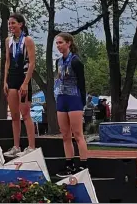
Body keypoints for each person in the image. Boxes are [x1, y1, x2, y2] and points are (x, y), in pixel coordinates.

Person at [53, 32, 89, 177]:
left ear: (68, 43)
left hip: (74, 98)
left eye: (60, 42)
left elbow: (82, 83)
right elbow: (59, 78)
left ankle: (84, 165)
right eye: (57, 43)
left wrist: (82, 102)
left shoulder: (76, 61)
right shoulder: (58, 61)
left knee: (78, 134)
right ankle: (69, 165)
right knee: (65, 135)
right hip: (61, 99)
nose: (58, 46)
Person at [2, 13, 37, 157]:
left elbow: (32, 63)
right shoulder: (8, 41)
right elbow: (7, 62)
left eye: (13, 23)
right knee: (14, 115)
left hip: (23, 78)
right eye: (9, 24)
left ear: (21, 24)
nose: (11, 26)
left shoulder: (27, 40)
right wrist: (5, 80)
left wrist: (26, 83)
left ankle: (31, 146)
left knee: (26, 114)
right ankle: (16, 146)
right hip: (12, 78)